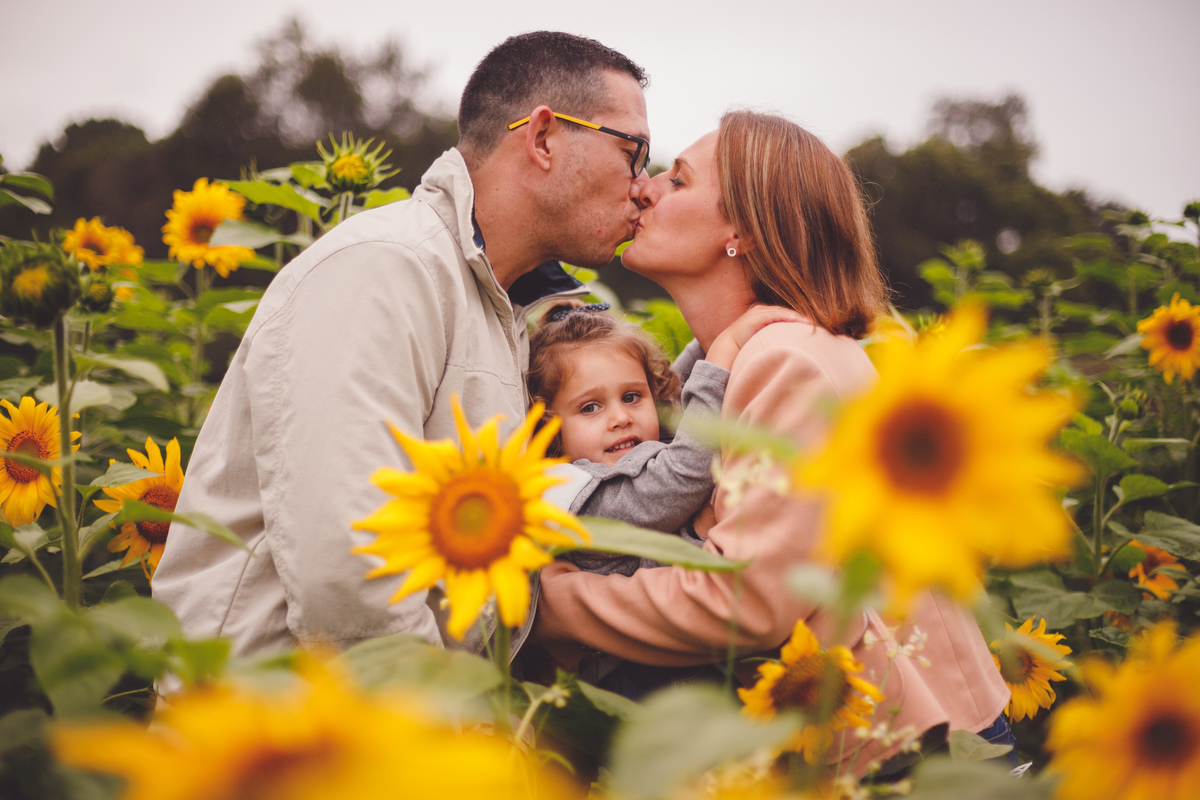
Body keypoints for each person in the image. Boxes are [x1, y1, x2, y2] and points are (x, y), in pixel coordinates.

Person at [530, 111, 1011, 774]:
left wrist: (547, 603)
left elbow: (746, 602)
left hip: (901, 756)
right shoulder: (760, 355)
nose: (644, 187)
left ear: (742, 232)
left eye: (678, 180)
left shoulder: (785, 362)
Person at [152, 31, 651, 658]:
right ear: (544, 138)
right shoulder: (384, 268)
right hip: (275, 710)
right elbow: (350, 575)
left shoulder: (497, 304)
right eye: (633, 151)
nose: (643, 184)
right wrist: (444, 715)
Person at [526, 301, 800, 577]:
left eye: (631, 397)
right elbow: (684, 472)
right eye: (590, 408)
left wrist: (714, 335)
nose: (621, 417)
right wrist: (725, 345)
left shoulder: (638, 438)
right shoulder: (579, 501)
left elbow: (682, 388)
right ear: (548, 427)